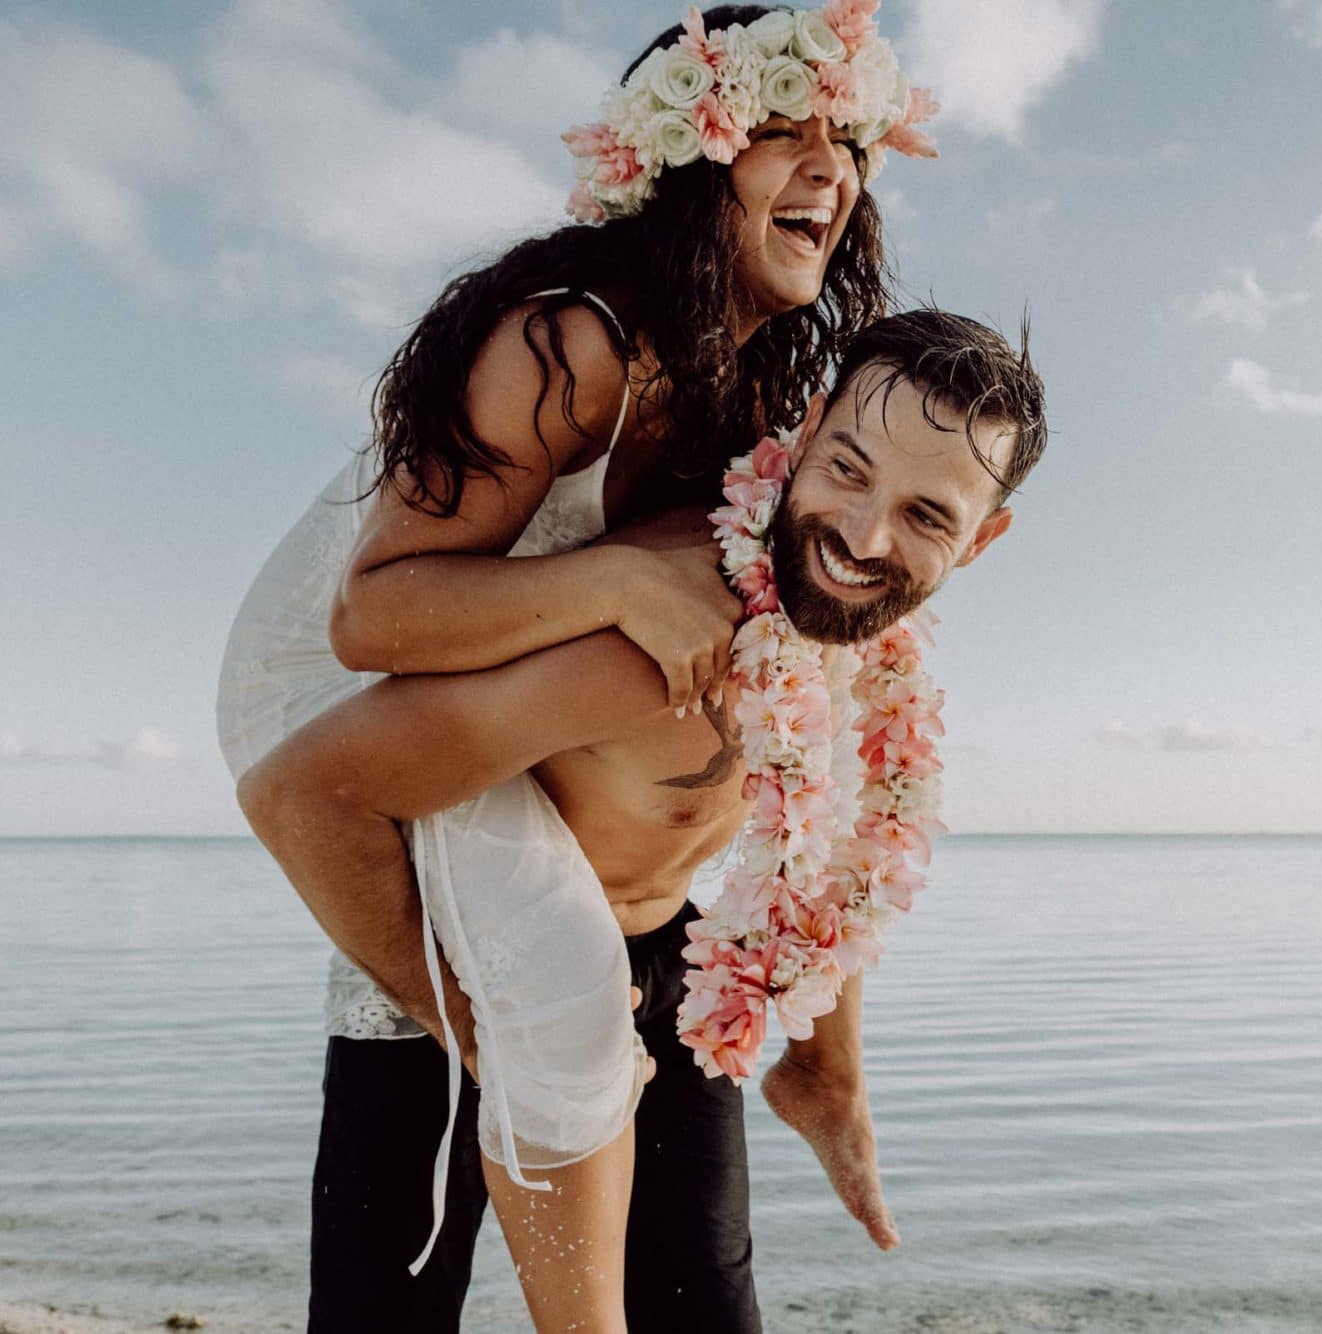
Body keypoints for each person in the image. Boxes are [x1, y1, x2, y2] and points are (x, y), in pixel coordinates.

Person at [216, 5, 937, 1328]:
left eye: (852, 139)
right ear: (690, 152)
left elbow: (817, 712)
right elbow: (370, 617)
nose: (833, 168)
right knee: (400, 1275)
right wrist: (607, 578)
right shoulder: (566, 341)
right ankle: (496, 1038)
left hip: (609, 856)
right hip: (353, 707)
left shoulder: (772, 398)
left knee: (701, 1289)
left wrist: (828, 1051)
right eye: (786, 127)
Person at [240, 309, 1049, 1331]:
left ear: (982, 539)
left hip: (670, 964)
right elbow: (300, 792)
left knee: (709, 1313)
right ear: (800, 432)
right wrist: (472, 1024)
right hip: (443, 977)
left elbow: (814, 844)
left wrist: (827, 1071)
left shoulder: (864, 634)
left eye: (927, 515)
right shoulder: (656, 635)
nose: (863, 535)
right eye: (845, 467)